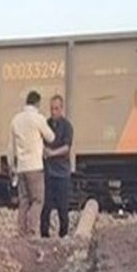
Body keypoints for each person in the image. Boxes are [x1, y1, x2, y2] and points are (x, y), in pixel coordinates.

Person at [7, 90, 55, 237]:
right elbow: (51, 137)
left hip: (21, 167)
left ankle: (21, 232)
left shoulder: (16, 120)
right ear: (37, 103)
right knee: (38, 200)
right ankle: (32, 231)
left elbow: (11, 147)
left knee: (24, 201)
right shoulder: (38, 119)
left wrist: (11, 166)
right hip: (35, 166)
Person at [41, 94, 74, 238]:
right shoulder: (46, 124)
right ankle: (44, 234)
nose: (53, 112)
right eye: (52, 109)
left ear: (61, 109)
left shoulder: (67, 126)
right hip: (48, 172)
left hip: (62, 173)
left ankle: (63, 234)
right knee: (45, 206)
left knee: (62, 207)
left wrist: (52, 153)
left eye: (56, 109)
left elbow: (67, 147)